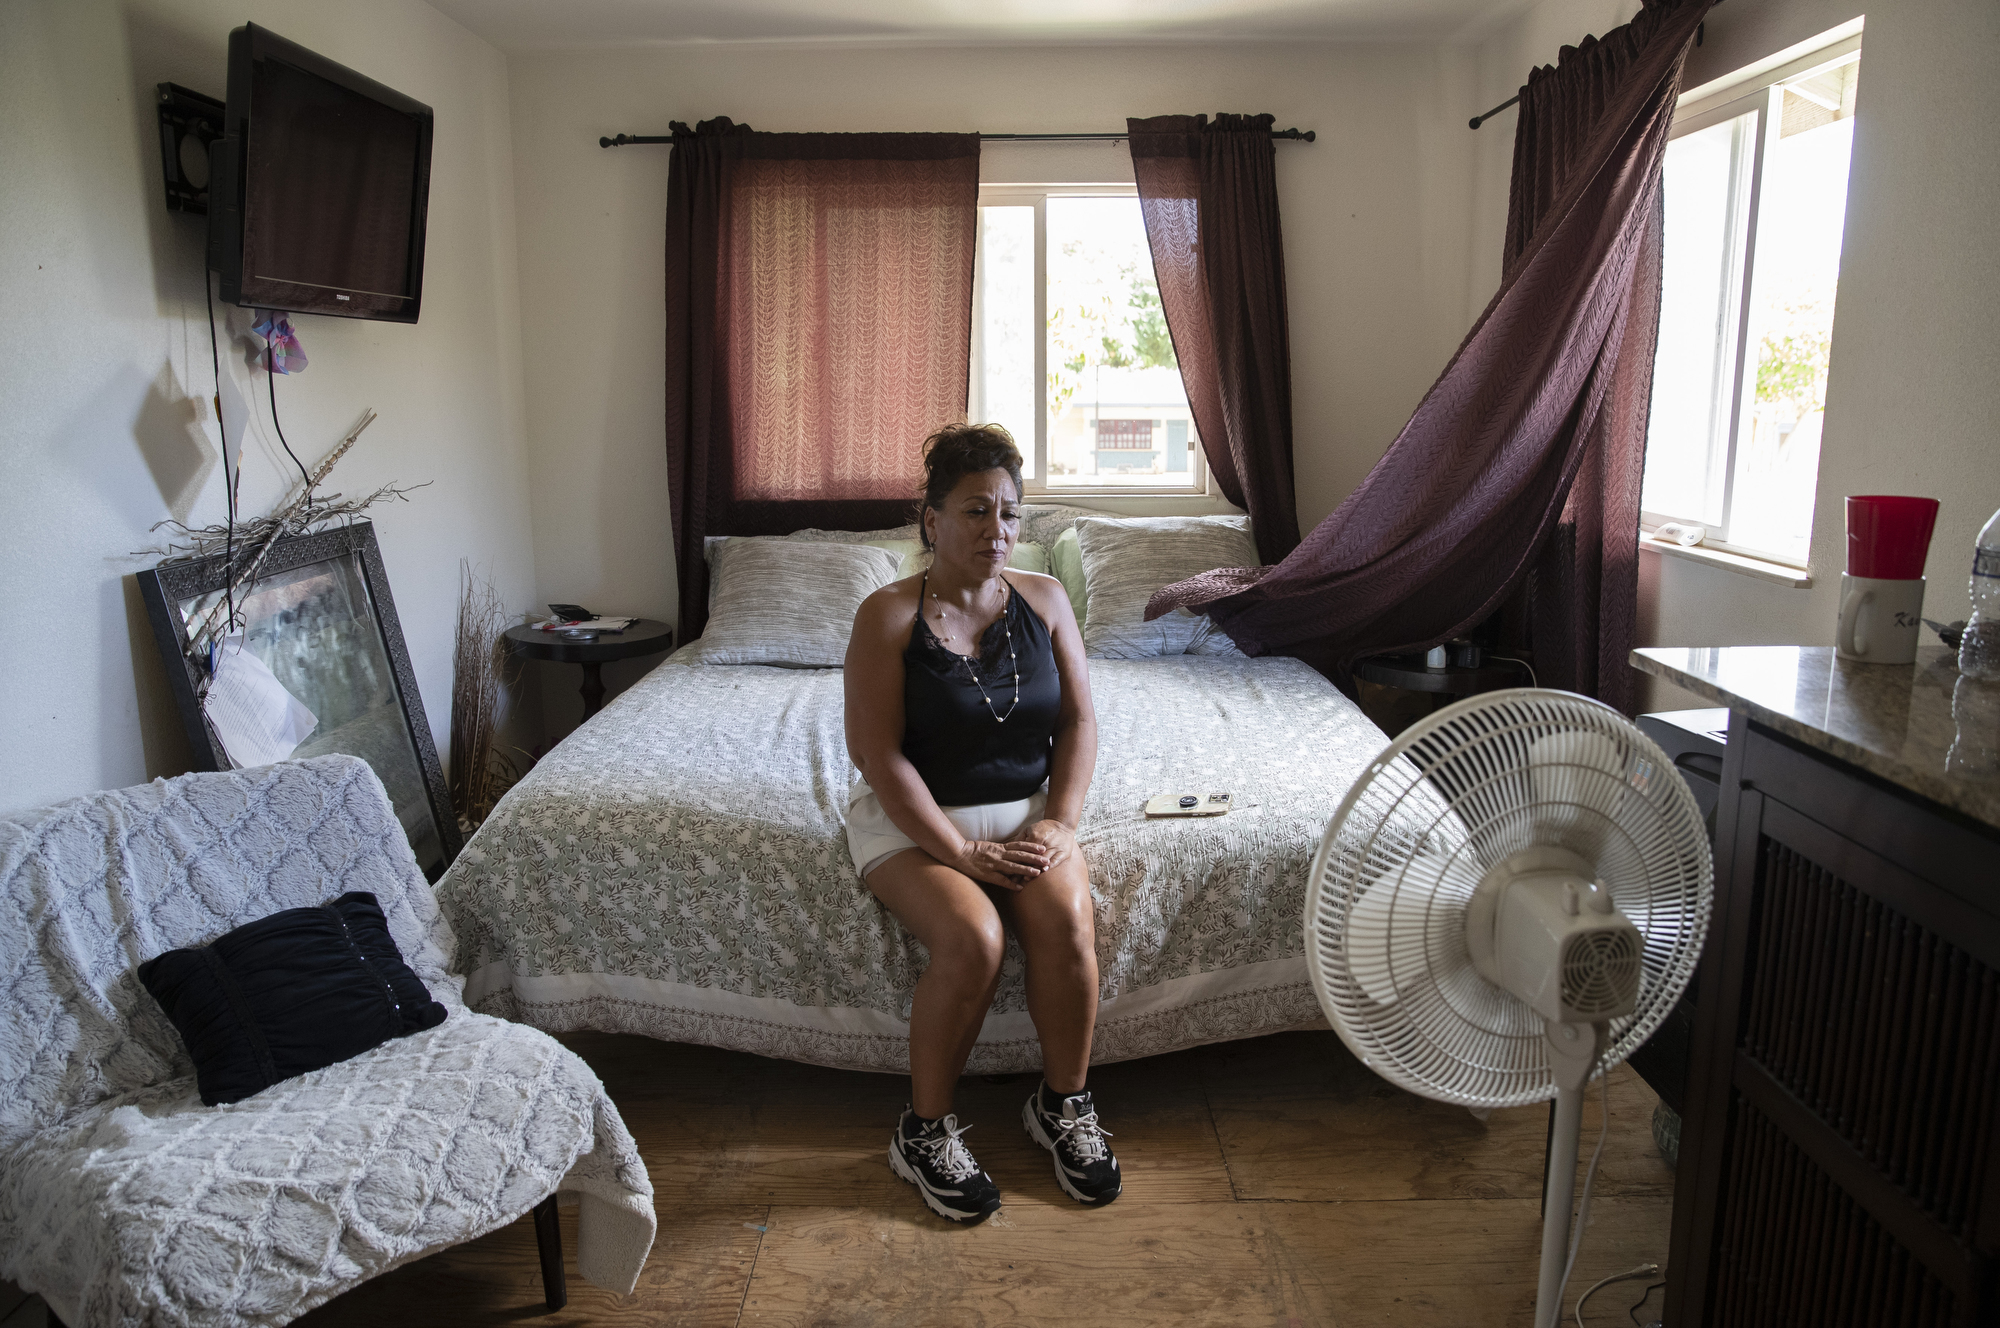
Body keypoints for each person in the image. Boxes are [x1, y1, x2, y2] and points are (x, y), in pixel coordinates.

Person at [843, 423, 1118, 1224]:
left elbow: (1078, 724)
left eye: (1006, 512)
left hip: (1027, 811)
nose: (994, 531)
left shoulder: (1046, 599)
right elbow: (879, 757)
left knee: (1069, 920)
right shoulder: (887, 616)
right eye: (973, 511)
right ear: (931, 521)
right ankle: (921, 1132)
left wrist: (1061, 823)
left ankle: (1063, 1106)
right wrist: (960, 850)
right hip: (914, 820)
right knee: (975, 940)